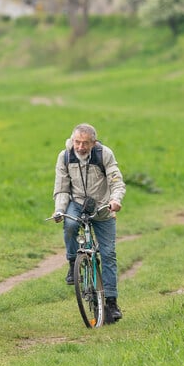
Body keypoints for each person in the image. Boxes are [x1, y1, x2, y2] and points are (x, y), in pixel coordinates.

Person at [52, 123, 126, 323]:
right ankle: (73, 262)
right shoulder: (65, 156)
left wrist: (115, 200)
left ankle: (111, 303)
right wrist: (59, 209)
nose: (81, 147)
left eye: (85, 143)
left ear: (93, 143)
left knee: (108, 253)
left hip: (102, 206)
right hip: (76, 203)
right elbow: (61, 188)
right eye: (77, 142)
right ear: (72, 140)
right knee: (69, 225)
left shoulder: (104, 154)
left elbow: (116, 181)